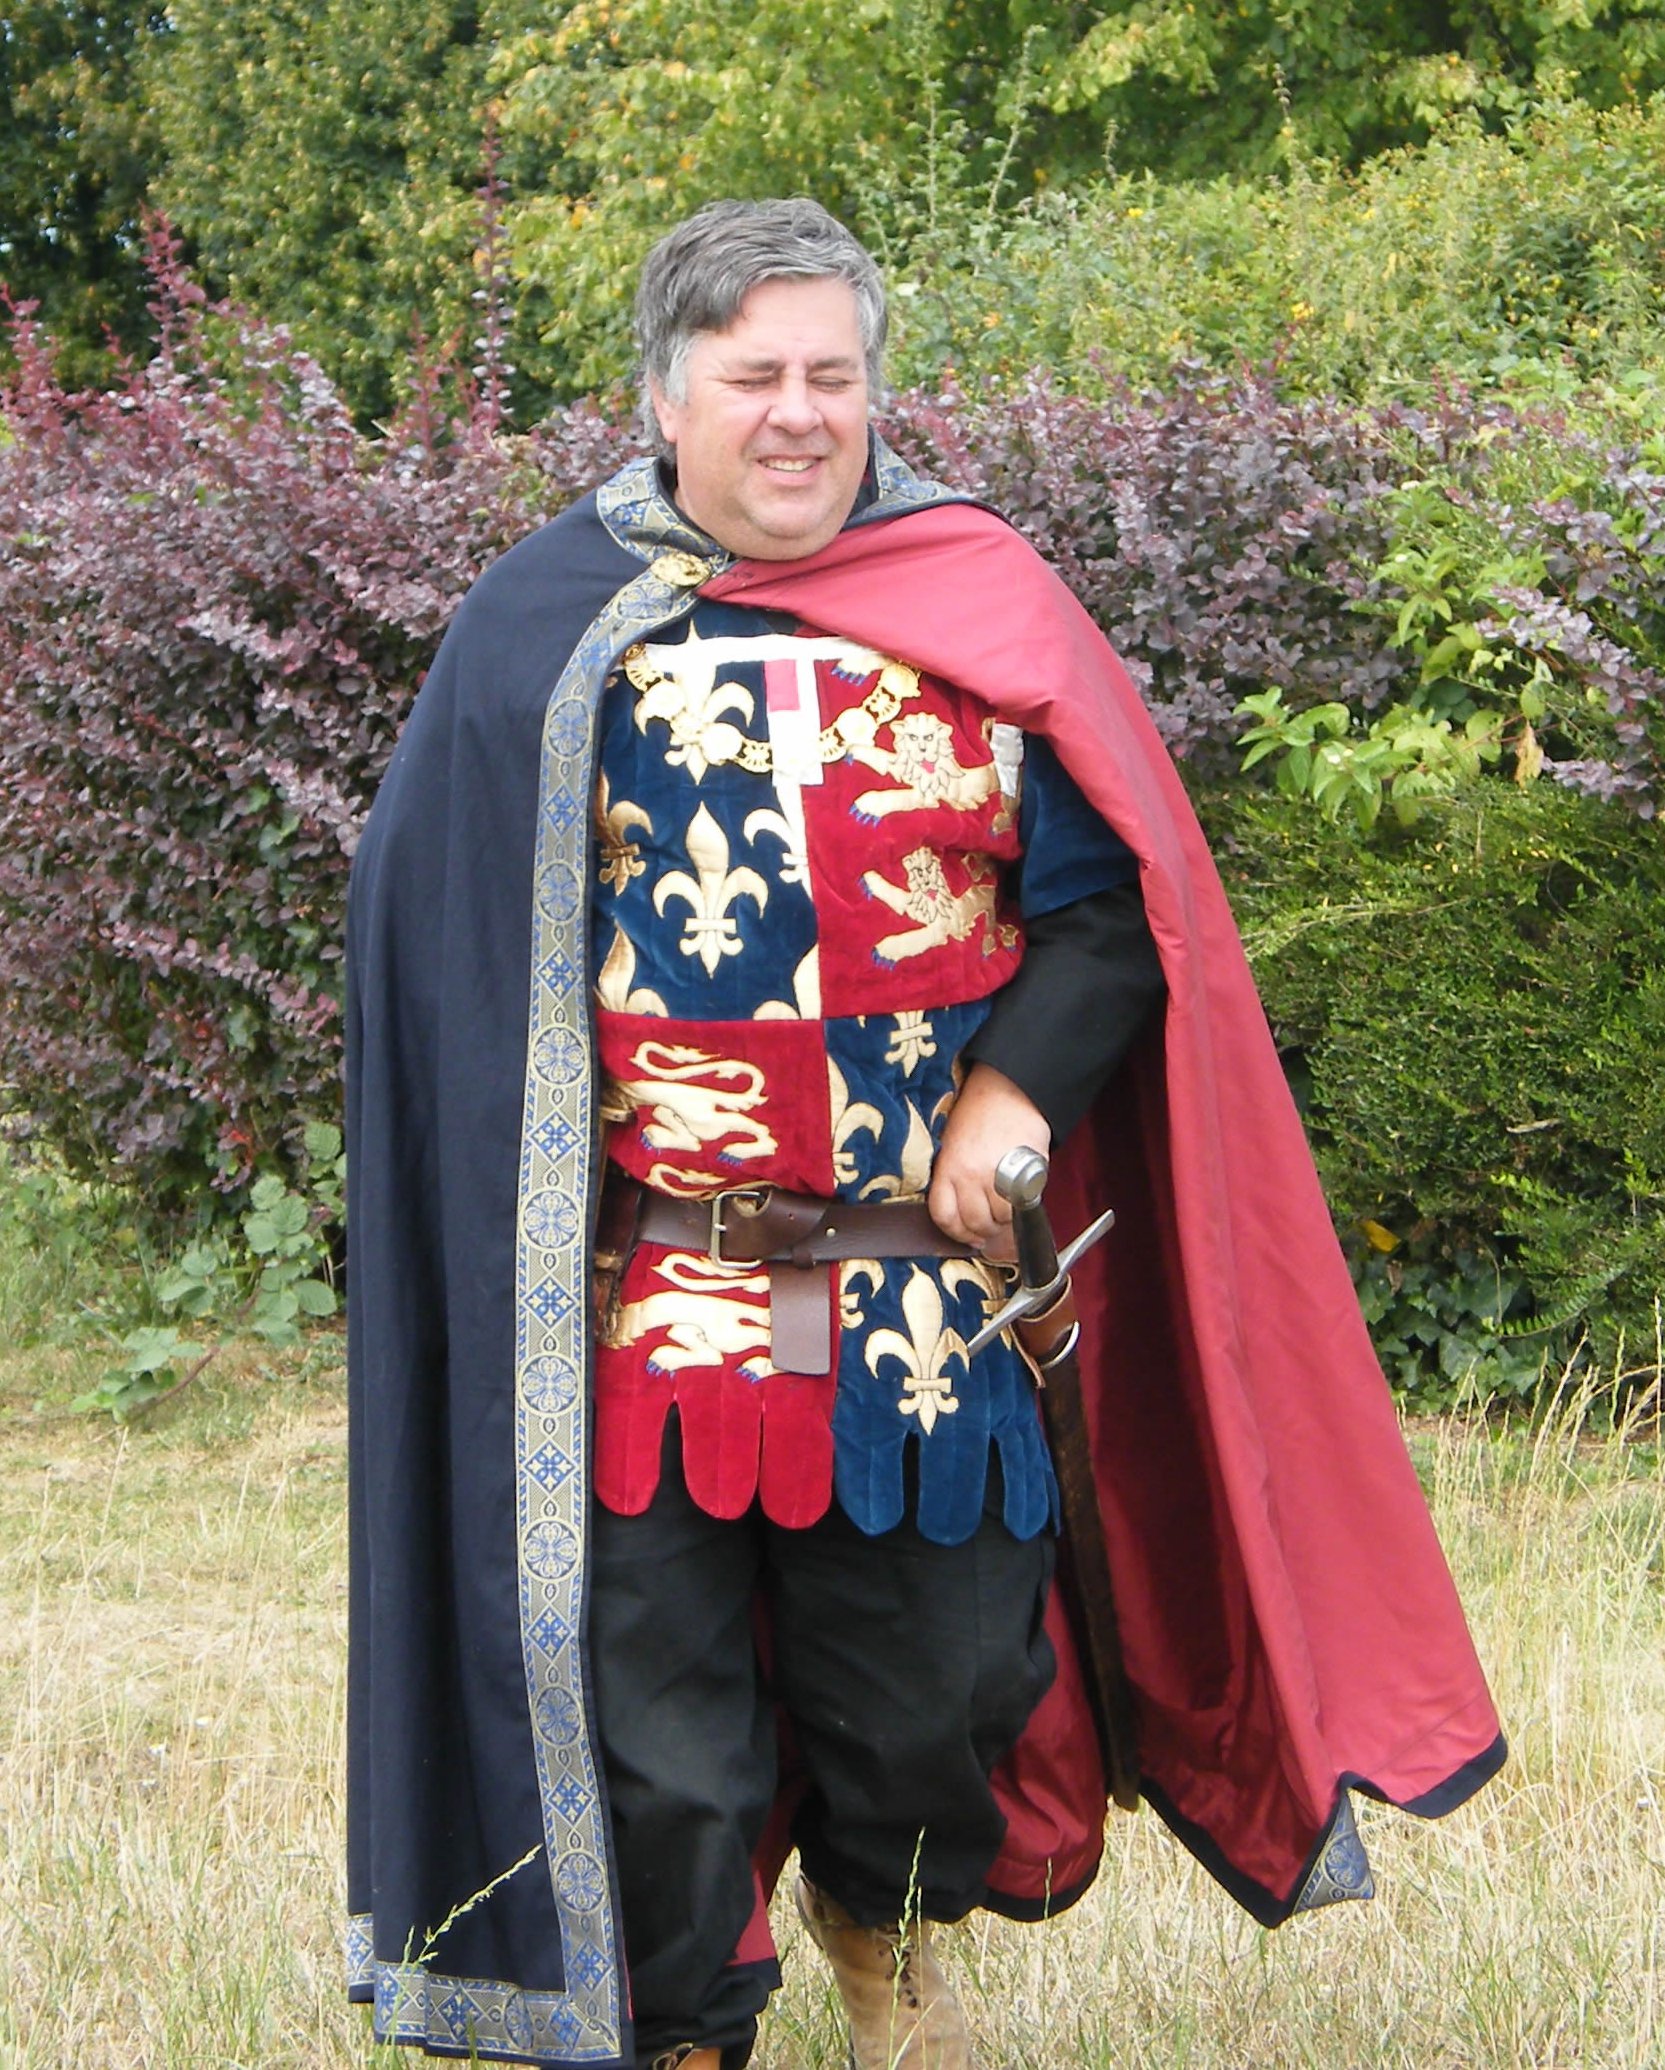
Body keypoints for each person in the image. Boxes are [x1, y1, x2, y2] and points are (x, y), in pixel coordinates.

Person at [345, 199, 1503, 2070]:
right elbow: (446, 955)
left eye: (832, 376)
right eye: (752, 377)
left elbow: (1113, 905)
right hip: (660, 1305)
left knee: (937, 1695)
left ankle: (885, 1957)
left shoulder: (975, 603)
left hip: (912, 1302)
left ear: (876, 391)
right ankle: (689, 2030)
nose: (797, 415)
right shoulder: (538, 637)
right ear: (662, 396)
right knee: (648, 1730)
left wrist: (1012, 1086)